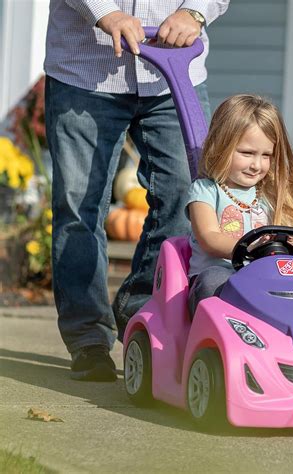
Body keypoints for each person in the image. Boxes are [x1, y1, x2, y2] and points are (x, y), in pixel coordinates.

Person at [44, 0, 229, 381]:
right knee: (79, 207)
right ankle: (88, 339)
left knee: (188, 200)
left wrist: (194, 12)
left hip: (174, 74)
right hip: (85, 72)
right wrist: (103, 13)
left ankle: (140, 308)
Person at [186, 94, 293, 315]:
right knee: (212, 280)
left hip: (265, 279)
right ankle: (215, 335)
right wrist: (250, 248)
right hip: (222, 277)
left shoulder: (271, 195)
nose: (257, 165)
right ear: (221, 146)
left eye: (266, 155)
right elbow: (209, 238)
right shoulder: (206, 190)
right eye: (247, 153)